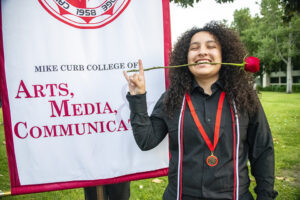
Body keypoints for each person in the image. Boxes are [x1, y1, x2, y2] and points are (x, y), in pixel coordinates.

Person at [123, 21, 277, 200]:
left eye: (211, 46)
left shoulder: (244, 98)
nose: (202, 51)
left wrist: (265, 196)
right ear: (185, 57)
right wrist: (138, 97)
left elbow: (263, 150)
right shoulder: (171, 98)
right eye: (194, 48)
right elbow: (146, 140)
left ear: (223, 55)